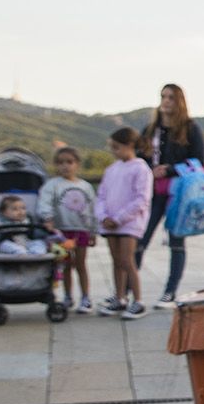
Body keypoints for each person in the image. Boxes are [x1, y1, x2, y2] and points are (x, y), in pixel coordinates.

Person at [136, 83, 204, 304]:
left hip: (179, 193)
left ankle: (170, 291)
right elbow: (138, 156)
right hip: (152, 192)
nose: (166, 101)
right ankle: (128, 288)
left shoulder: (190, 129)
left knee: (176, 243)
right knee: (139, 239)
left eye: (171, 97)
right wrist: (150, 168)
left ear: (179, 102)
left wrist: (169, 169)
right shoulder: (151, 130)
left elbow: (198, 161)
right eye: (163, 96)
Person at [95, 127, 152, 319]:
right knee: (116, 261)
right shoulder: (111, 169)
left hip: (129, 224)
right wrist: (103, 216)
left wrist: (119, 218)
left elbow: (141, 199)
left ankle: (137, 300)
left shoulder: (141, 168)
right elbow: (101, 195)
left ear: (130, 145)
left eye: (116, 147)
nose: (114, 151)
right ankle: (119, 298)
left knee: (128, 261)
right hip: (109, 223)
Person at [39, 148, 98, 312]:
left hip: (81, 230)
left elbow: (92, 209)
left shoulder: (85, 187)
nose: (65, 166)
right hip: (60, 232)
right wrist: (48, 218)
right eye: (61, 163)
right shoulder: (52, 185)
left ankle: (85, 297)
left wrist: (93, 230)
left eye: (69, 162)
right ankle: (67, 296)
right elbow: (45, 203)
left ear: (77, 164)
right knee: (65, 265)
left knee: (81, 264)